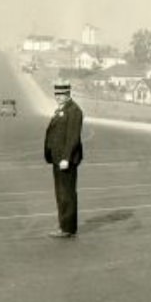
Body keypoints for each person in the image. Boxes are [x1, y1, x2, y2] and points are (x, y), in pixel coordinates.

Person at [44, 80, 84, 238]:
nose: (59, 97)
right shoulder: (62, 109)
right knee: (60, 193)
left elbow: (73, 137)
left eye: (62, 94)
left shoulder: (74, 111)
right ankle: (64, 225)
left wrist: (66, 158)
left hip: (65, 160)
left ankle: (67, 228)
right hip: (57, 158)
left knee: (66, 193)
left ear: (68, 94)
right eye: (57, 94)